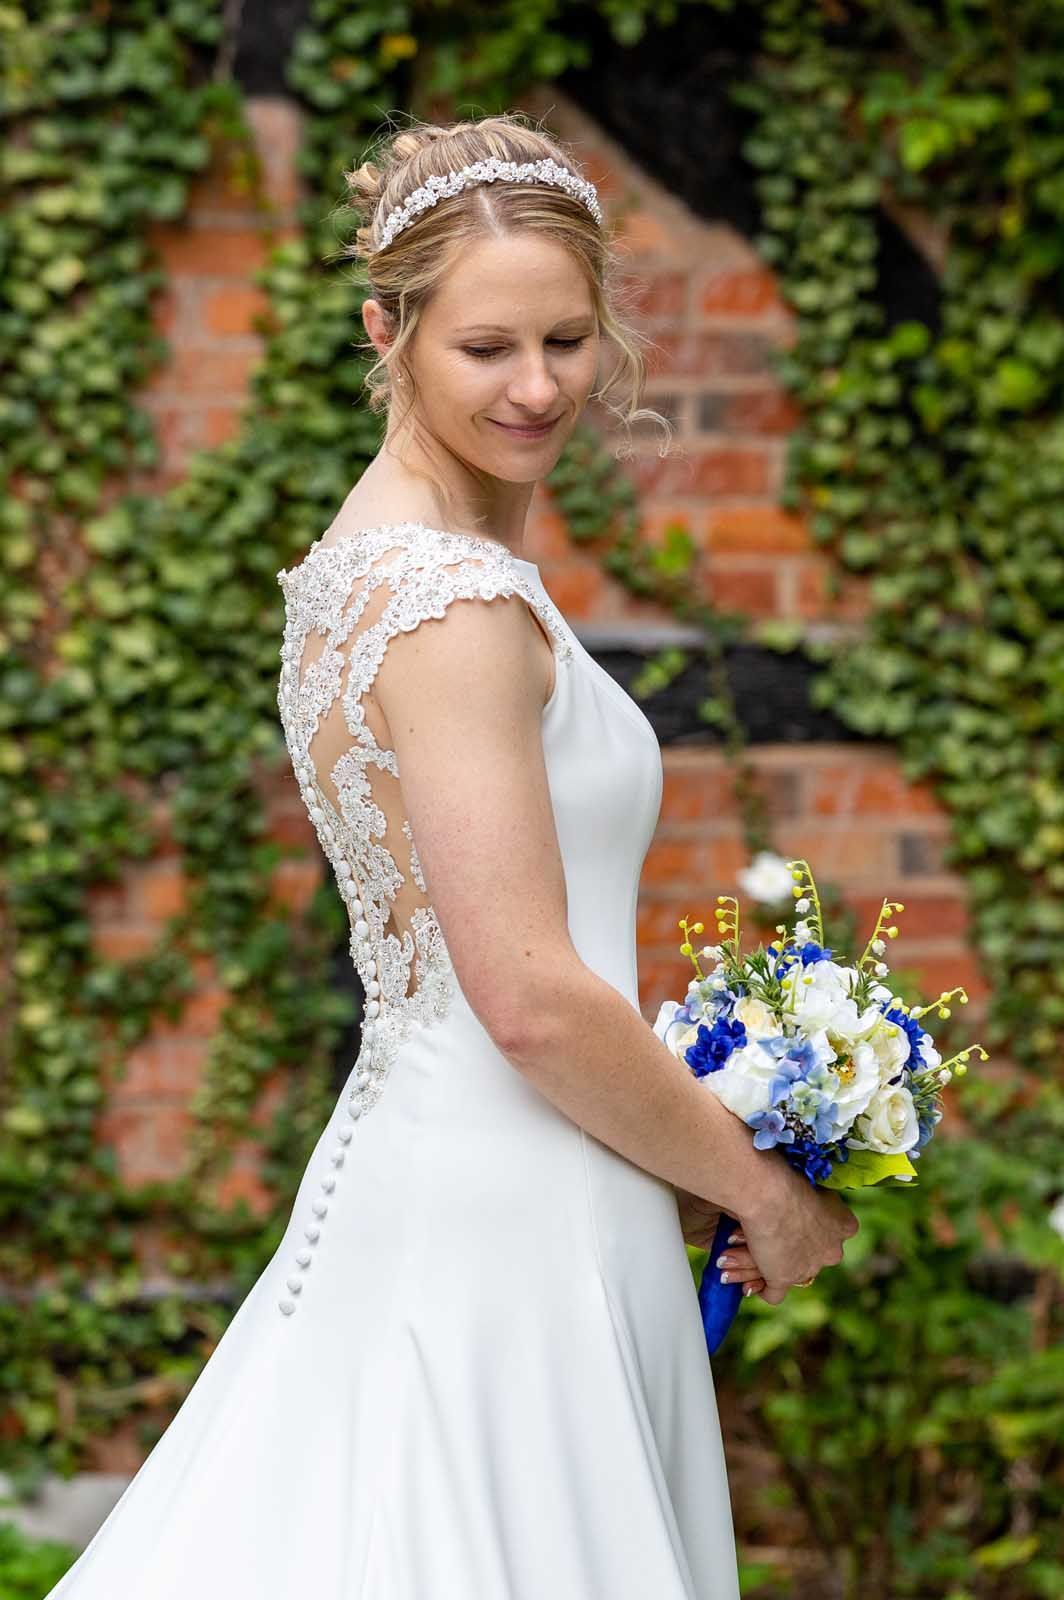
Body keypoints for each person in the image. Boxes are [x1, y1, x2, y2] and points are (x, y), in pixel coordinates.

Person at [46, 110, 857, 1600]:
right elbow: (532, 997)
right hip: (507, 1225)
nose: (540, 387)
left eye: (566, 340)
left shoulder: (391, 568)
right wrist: (766, 1186)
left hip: (514, 1171)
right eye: (488, 348)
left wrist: (678, 1149)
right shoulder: (447, 607)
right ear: (389, 331)